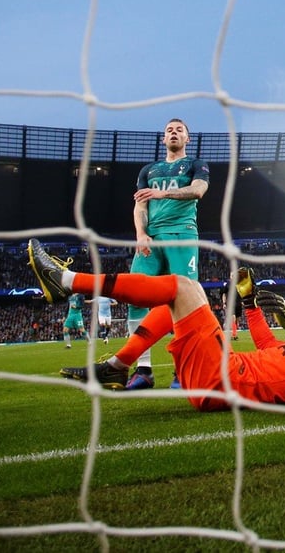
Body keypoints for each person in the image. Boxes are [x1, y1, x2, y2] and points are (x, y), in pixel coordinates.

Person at [27, 239, 285, 410]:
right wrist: (249, 303)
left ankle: (67, 280)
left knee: (183, 287)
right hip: (226, 373)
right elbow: (269, 350)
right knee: (178, 303)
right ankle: (116, 368)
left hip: (224, 380)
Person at [125, 118, 210, 390]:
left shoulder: (196, 164)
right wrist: (140, 234)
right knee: (133, 297)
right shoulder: (148, 170)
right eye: (169, 131)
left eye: (180, 130)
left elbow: (198, 190)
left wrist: (163, 194)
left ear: (187, 138)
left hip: (182, 233)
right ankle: (144, 371)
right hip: (151, 238)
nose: (174, 133)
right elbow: (140, 206)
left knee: (183, 301)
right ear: (163, 139)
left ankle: (182, 371)